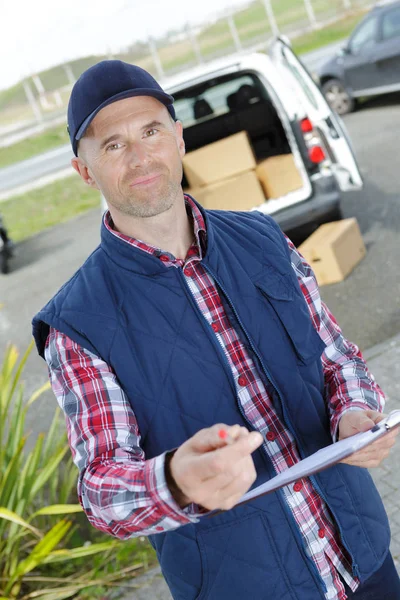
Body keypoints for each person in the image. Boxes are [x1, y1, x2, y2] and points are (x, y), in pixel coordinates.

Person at [32, 60, 400, 600]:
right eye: (113, 145)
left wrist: (354, 411)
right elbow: (103, 493)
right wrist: (174, 480)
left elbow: (336, 356)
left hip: (362, 557)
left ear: (179, 139)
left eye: (152, 131)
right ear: (83, 170)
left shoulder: (263, 237)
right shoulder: (76, 324)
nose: (140, 157)